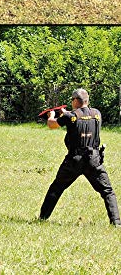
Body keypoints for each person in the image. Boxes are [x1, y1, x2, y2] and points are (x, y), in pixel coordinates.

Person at [39, 88, 121, 226]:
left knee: (56, 188)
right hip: (94, 159)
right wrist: (65, 113)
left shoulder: (70, 116)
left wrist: (51, 115)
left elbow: (52, 125)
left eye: (72, 100)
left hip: (74, 160)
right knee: (107, 191)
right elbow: (78, 118)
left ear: (76, 100)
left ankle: (42, 218)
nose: (71, 102)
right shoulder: (97, 114)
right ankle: (116, 223)